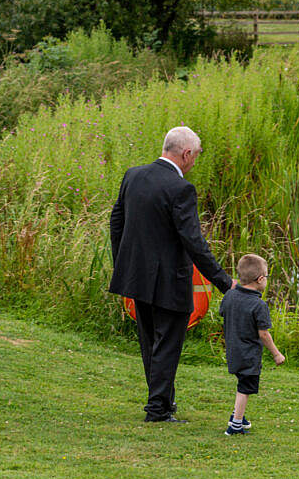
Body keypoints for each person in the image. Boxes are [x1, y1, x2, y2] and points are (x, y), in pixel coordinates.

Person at [109, 126, 234, 423]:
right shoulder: (181, 189)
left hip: (137, 277)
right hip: (170, 280)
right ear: (186, 153)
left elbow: (116, 222)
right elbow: (195, 244)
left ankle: (163, 402)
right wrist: (225, 282)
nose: (195, 162)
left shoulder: (134, 175)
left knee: (150, 341)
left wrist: (123, 264)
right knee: (167, 344)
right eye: (197, 155)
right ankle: (158, 409)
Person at [219, 254, 285, 436]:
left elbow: (223, 313)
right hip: (248, 353)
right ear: (260, 279)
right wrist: (276, 354)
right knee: (245, 387)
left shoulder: (230, 295)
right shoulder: (258, 304)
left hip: (232, 350)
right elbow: (263, 333)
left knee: (242, 382)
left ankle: (238, 414)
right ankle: (236, 425)